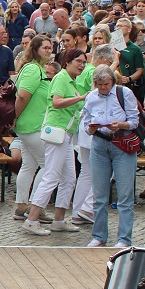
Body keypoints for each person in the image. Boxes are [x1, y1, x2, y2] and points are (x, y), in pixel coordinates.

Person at [23, 48, 88, 234]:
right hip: (57, 132)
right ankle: (31, 219)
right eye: (79, 61)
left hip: (66, 133)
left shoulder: (72, 81)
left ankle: (58, 220)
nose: (82, 65)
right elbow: (56, 102)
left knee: (69, 177)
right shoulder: (61, 78)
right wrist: (80, 98)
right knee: (51, 176)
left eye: (84, 62)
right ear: (68, 61)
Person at [81, 64, 139, 248]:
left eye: (106, 84)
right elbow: (86, 122)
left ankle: (124, 239)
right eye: (99, 85)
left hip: (121, 144)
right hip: (99, 143)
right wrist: (90, 129)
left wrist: (120, 125)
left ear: (112, 82)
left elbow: (134, 121)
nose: (103, 88)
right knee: (99, 194)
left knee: (125, 195)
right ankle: (99, 236)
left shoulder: (124, 93)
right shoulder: (91, 97)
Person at [11, 35, 53, 216]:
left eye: (50, 48)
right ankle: (36, 206)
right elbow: (22, 96)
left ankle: (21, 206)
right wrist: (15, 117)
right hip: (32, 125)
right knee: (48, 166)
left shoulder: (36, 68)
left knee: (29, 165)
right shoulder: (33, 69)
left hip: (30, 125)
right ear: (35, 50)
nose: (49, 51)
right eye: (45, 47)